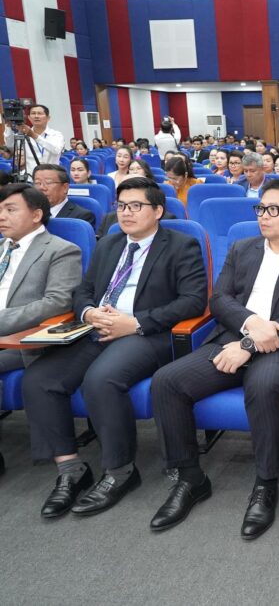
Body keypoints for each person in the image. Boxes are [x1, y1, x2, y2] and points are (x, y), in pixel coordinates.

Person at [149, 179, 279, 538]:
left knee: (263, 386)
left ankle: (266, 483)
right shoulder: (242, 248)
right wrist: (250, 327)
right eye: (260, 208)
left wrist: (248, 346)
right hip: (232, 336)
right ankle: (190, 478)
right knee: (167, 381)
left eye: (273, 209)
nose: (263, 216)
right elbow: (220, 300)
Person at [22, 177, 207, 519]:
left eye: (136, 206)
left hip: (146, 334)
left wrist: (135, 322)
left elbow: (193, 301)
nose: (126, 213)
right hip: (96, 328)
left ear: (158, 211)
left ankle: (120, 471)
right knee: (38, 379)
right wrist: (89, 312)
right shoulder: (109, 244)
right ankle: (71, 469)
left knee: (101, 380)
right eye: (121, 206)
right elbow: (84, 290)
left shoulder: (182, 246)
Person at [0, 183, 82, 373]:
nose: (2, 216)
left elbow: (57, 302)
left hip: (19, 339)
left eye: (10, 210)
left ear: (36, 215)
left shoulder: (61, 250)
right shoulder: (2, 246)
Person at [3, 104, 65, 179]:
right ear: (29, 118)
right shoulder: (23, 134)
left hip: (52, 177)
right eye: (33, 113)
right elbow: (11, 146)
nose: (36, 116)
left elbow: (56, 150)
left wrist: (33, 135)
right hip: (31, 178)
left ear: (48, 118)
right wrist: (8, 126)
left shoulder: (56, 135)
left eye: (39, 113)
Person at [32, 164, 96, 228]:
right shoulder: (29, 213)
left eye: (48, 183)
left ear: (65, 187)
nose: (41, 187)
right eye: (37, 183)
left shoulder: (81, 218)